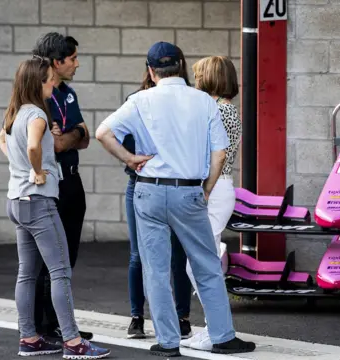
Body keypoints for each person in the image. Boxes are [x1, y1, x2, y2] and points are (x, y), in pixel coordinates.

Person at [95, 41, 255, 356]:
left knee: (155, 267)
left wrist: (129, 158)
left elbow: (102, 132)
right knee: (206, 262)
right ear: (181, 66)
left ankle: (168, 342)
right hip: (189, 189)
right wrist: (206, 189)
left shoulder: (140, 100)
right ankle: (222, 336)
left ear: (151, 71)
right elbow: (220, 152)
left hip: (149, 190)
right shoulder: (204, 101)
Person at [0, 56, 110, 359]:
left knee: (27, 274)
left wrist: (19, 166)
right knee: (60, 272)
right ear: (37, 82)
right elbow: (34, 146)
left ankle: (29, 338)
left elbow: (1, 139)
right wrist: (35, 169)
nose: (52, 83)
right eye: (48, 79)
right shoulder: (37, 115)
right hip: (38, 202)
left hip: (17, 201)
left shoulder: (15, 113)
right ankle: (73, 343)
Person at [122, 45, 193, 340]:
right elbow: (120, 138)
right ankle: (137, 317)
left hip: (172, 185)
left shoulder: (190, 101)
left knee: (177, 255)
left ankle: (182, 317)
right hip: (141, 184)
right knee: (139, 255)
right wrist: (135, 158)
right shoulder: (137, 101)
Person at [30, 32, 93, 343]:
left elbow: (85, 137)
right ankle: (40, 325)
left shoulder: (67, 93)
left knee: (68, 259)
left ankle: (58, 322)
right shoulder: (36, 96)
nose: (77, 64)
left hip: (73, 182)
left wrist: (70, 136)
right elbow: (53, 144)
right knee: (47, 261)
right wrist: (71, 137)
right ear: (57, 62)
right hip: (50, 187)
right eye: (73, 59)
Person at [181, 55, 241, 352]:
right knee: (197, 263)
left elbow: (215, 154)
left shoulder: (222, 110)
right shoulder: (218, 108)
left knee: (201, 264)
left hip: (214, 189)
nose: (196, 80)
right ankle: (213, 326)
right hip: (214, 188)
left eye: (199, 75)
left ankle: (216, 328)